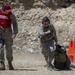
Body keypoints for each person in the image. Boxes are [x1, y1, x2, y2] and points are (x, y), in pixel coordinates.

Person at [0, 3, 18, 70]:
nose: (9, 12)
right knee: (0, 48)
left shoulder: (11, 14)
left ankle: (10, 63)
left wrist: (14, 33)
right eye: (7, 11)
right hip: (0, 33)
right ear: (3, 9)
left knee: (9, 49)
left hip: (8, 33)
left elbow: (15, 24)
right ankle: (1, 63)